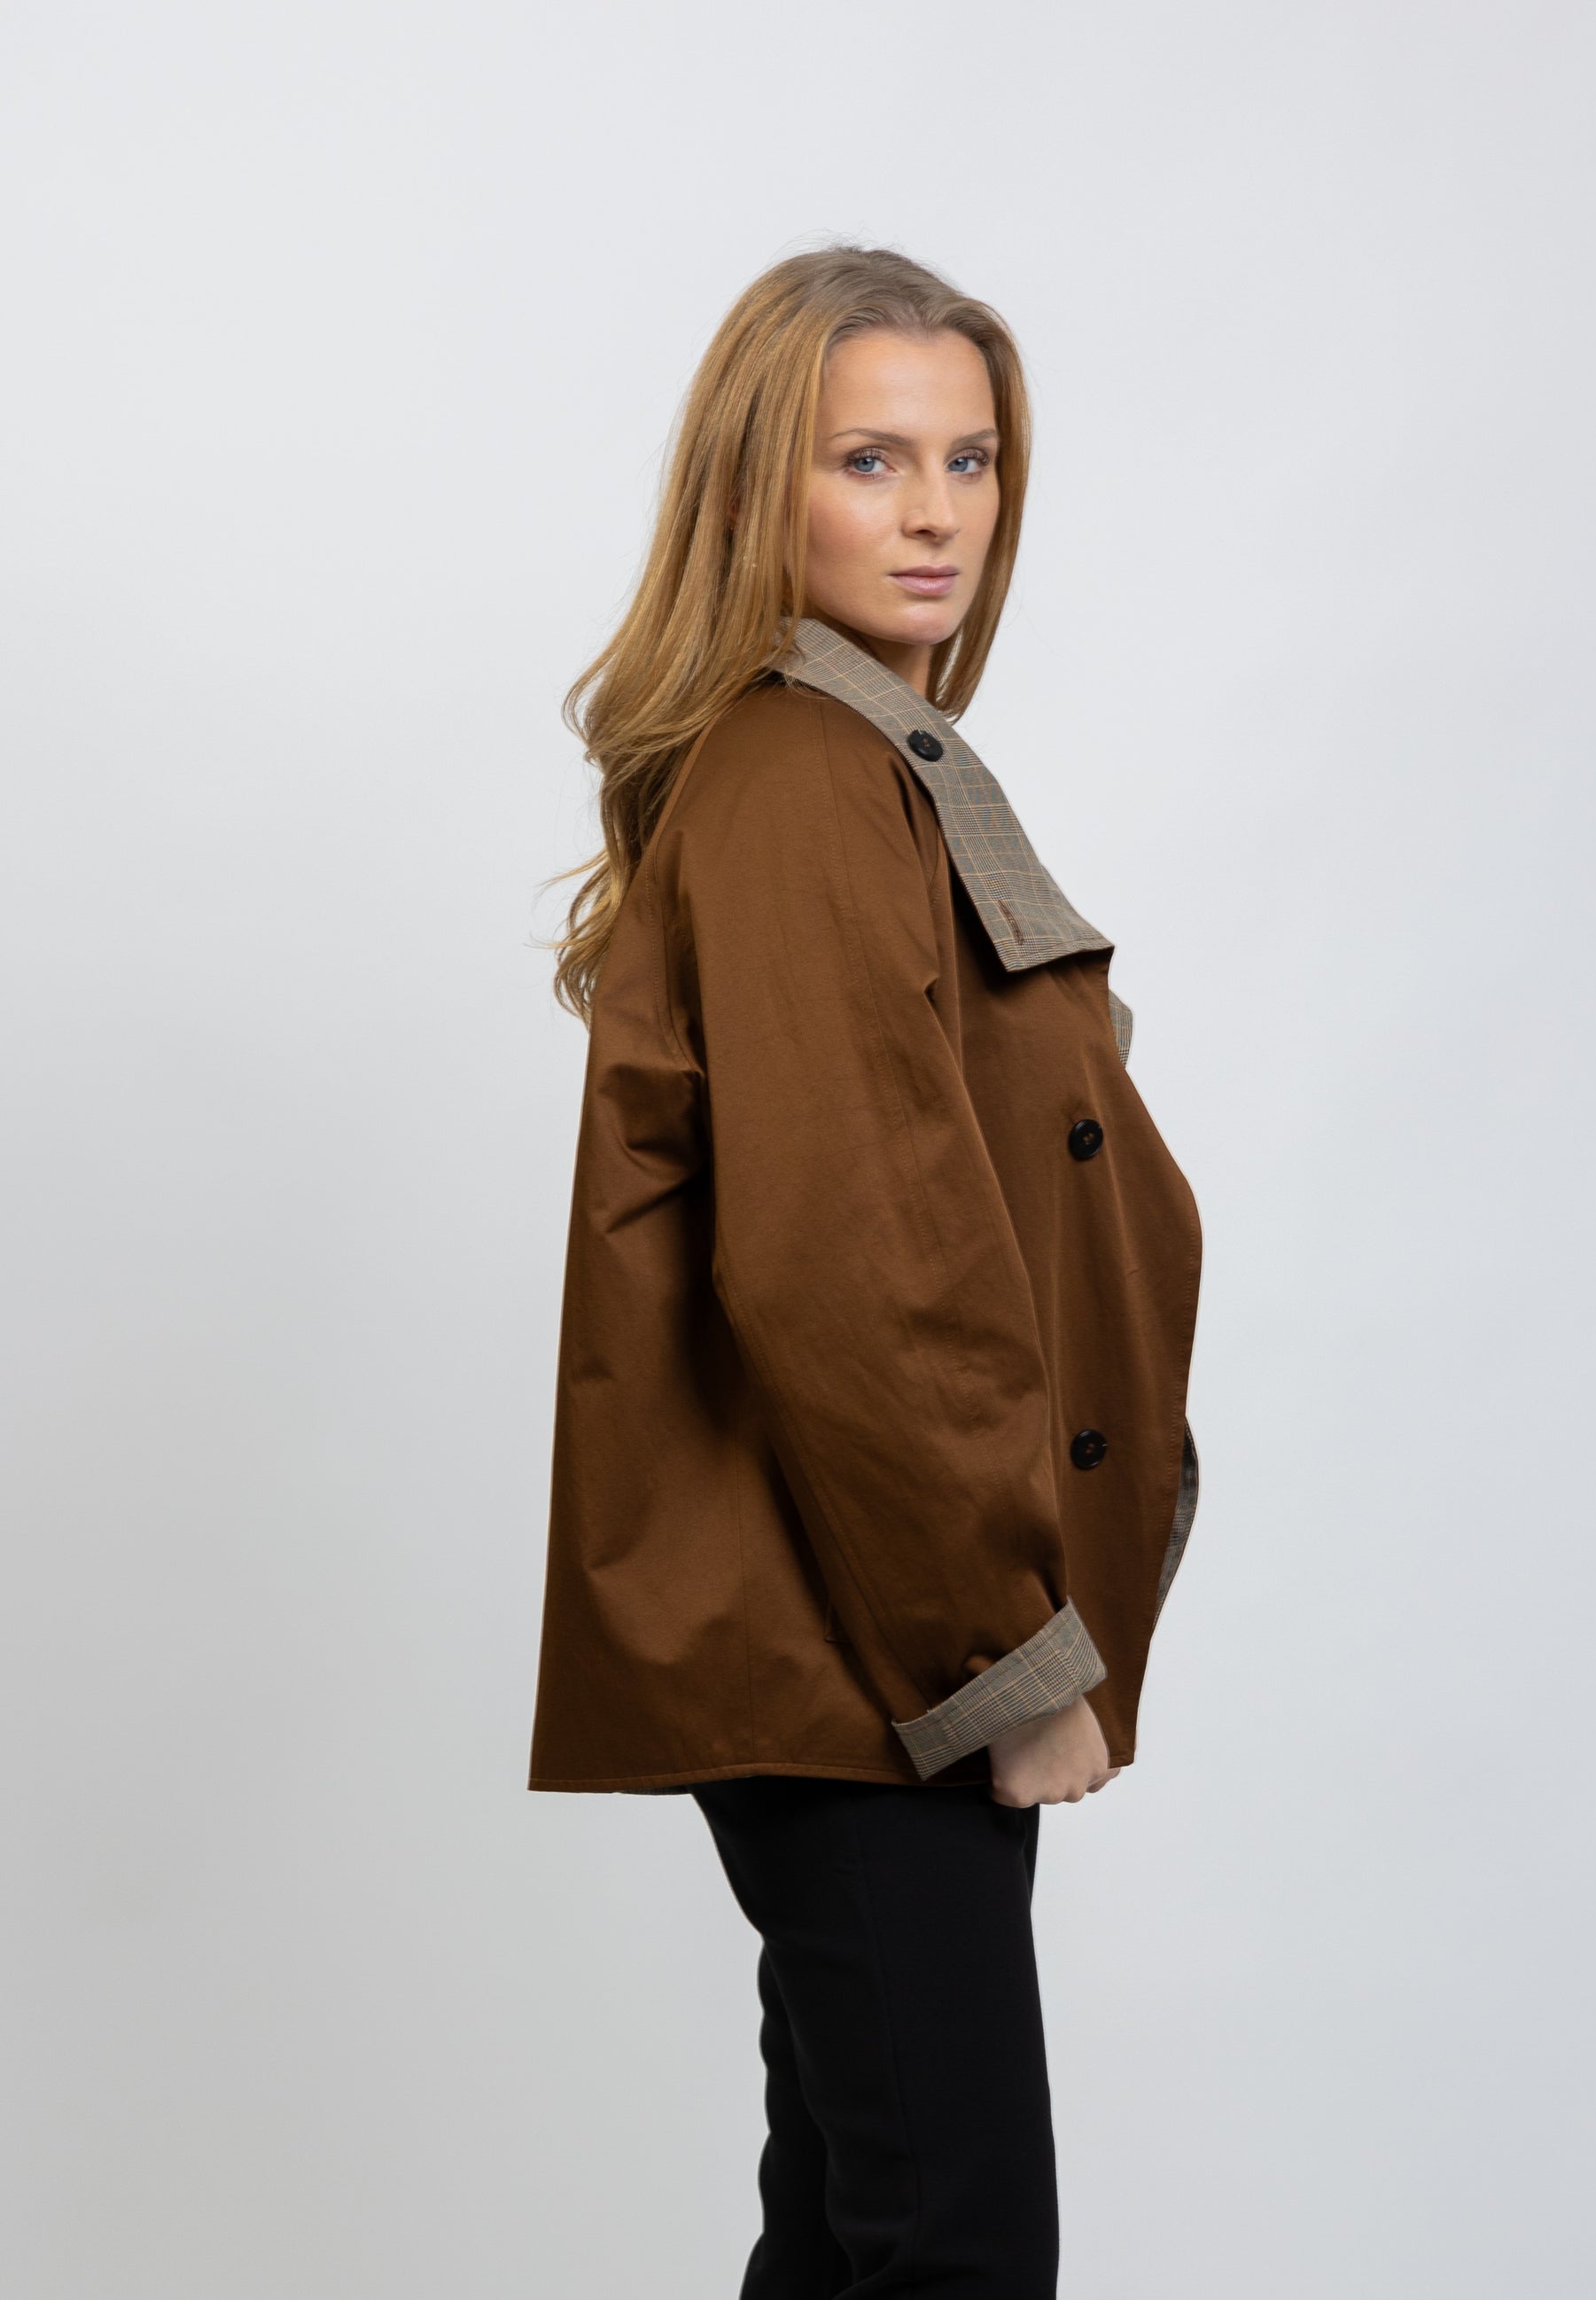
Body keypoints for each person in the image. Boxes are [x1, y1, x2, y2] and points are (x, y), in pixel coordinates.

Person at [531, 246, 1202, 2299]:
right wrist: (1009, 1652)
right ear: (762, 486)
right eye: (869, 459)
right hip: (869, 1645)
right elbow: (861, 1263)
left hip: (856, 1638)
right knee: (953, 2244)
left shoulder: (850, 757)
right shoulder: (807, 778)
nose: (935, 514)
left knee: (856, 2223)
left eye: (969, 459)